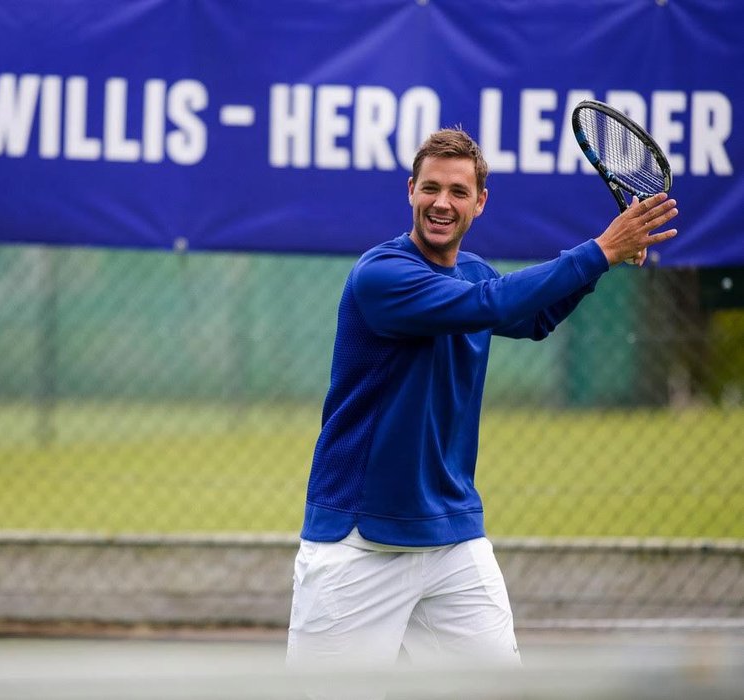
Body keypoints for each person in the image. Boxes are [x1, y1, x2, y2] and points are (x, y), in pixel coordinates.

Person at [286, 128, 678, 682]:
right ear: (411, 192)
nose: (442, 203)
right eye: (431, 188)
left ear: (480, 203)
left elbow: (534, 317)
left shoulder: (473, 269)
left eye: (457, 192)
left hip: (452, 540)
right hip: (359, 540)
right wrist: (600, 251)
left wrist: (603, 264)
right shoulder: (382, 276)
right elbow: (486, 304)